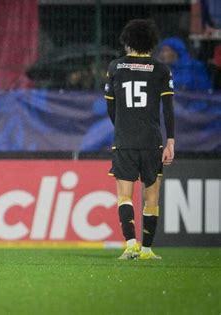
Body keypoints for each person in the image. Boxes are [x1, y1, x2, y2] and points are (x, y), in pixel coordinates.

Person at [104, 19, 175, 260]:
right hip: (151, 141)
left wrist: (123, 128)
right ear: (152, 42)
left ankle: (131, 244)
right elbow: (168, 109)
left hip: (124, 141)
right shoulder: (161, 69)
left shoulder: (115, 67)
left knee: (124, 195)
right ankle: (147, 250)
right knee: (152, 197)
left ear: (127, 42)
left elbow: (110, 108)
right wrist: (171, 141)